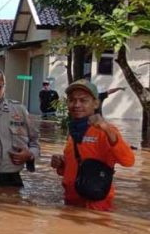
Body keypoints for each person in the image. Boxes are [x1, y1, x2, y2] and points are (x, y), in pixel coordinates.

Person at [50, 80, 134, 211]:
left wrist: (107, 130)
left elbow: (128, 161)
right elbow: (76, 167)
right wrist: (61, 164)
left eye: (83, 100)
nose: (76, 105)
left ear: (96, 103)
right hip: (71, 203)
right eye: (72, 100)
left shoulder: (106, 131)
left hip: (95, 207)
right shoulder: (74, 131)